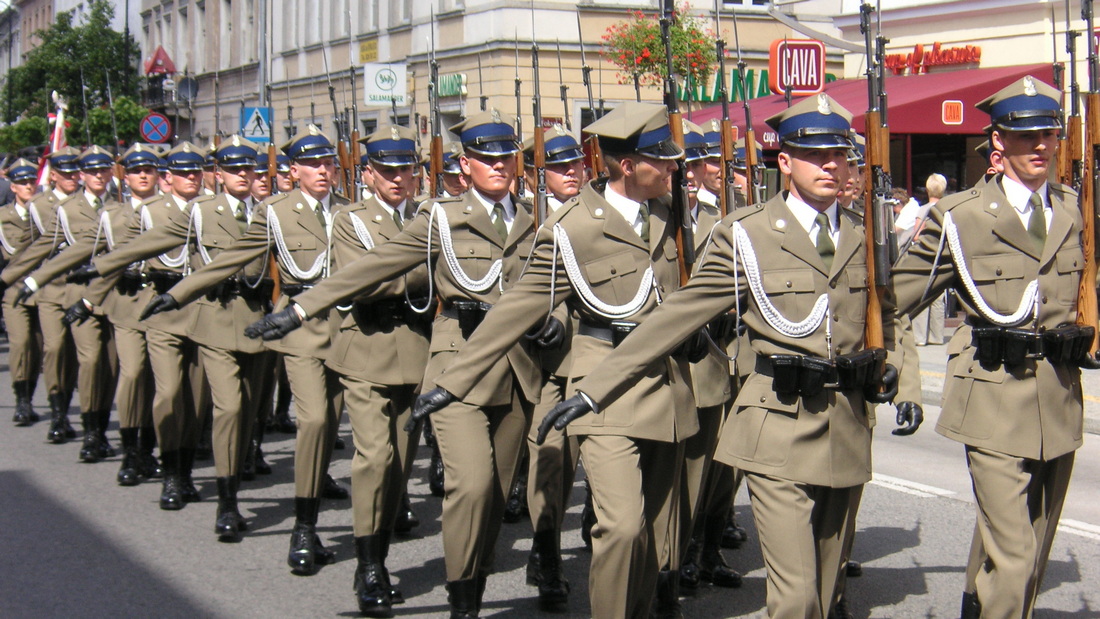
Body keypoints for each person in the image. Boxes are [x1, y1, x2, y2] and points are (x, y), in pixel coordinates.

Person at [536, 95, 920, 619]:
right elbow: (676, 316)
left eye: (839, 153)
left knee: (828, 594)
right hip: (776, 422)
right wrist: (593, 389)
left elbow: (890, 317)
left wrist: (898, 370)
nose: (831, 164)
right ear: (784, 162)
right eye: (815, 154)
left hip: (847, 425)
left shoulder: (864, 232)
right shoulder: (747, 234)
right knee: (795, 598)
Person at [247, 109, 542, 617]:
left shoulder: (532, 218)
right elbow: (374, 268)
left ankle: (472, 567)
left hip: (494, 360)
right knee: (383, 464)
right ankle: (375, 565)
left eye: (507, 157)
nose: (500, 166)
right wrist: (300, 308)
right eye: (487, 159)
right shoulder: (437, 218)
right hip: (392, 348)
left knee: (466, 484)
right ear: (465, 164)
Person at [411, 102, 698, 619]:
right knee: (621, 526)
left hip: (666, 384)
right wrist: (454, 380)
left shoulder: (671, 216)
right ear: (628, 166)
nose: (678, 168)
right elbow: (518, 308)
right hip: (604, 383)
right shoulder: (573, 228)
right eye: (665, 160)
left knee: (654, 536)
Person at [892, 76, 1092, 619]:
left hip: (1059, 397)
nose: (1042, 147)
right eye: (1028, 138)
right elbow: (891, 301)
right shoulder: (961, 215)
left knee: (1034, 549)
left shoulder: (1075, 211)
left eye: (1049, 134)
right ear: (999, 141)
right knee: (1016, 556)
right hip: (992, 395)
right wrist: (889, 367)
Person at [139, 126, 352, 573]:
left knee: (309, 420)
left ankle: (301, 505)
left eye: (328, 162)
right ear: (293, 171)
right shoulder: (272, 212)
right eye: (313, 164)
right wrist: (179, 292)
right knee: (250, 412)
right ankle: (237, 503)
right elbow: (230, 259)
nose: (323, 170)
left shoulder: (350, 213)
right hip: (262, 325)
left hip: (324, 328)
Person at [67, 141, 212, 510]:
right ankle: (135, 451)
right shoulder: (123, 214)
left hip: (191, 306)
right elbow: (115, 259)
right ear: (126, 176)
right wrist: (89, 297)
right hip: (135, 304)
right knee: (136, 376)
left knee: (189, 393)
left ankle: (175, 461)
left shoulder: (208, 209)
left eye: (148, 169)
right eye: (135, 170)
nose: (142, 176)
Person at [11, 146, 122, 463]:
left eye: (104, 169)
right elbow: (30, 245)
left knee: (109, 366)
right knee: (68, 353)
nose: (97, 175)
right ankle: (67, 417)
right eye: (90, 170)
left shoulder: (120, 206)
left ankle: (98, 429)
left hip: (109, 294)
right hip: (63, 291)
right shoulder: (57, 207)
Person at [2, 147, 83, 443]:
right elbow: (20, 251)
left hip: (77, 285)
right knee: (47, 347)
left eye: (76, 171)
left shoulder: (89, 203)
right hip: (42, 286)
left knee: (72, 354)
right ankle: (48, 408)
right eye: (65, 171)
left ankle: (71, 405)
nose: (72, 176)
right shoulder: (38, 206)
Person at [1, 159, 45, 427]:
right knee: (20, 343)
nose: (29, 186)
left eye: (32, 181)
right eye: (23, 183)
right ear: (13, 187)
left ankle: (29, 396)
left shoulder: (46, 213)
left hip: (43, 286)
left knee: (39, 348)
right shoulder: (3, 217)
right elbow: (10, 252)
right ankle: (21, 401)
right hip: (15, 287)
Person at [906, 173, 948, 346]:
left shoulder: (923, 210)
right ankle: (937, 336)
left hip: (926, 256)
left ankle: (920, 337)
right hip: (943, 256)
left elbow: (916, 235)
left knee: (923, 296)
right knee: (938, 298)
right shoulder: (948, 209)